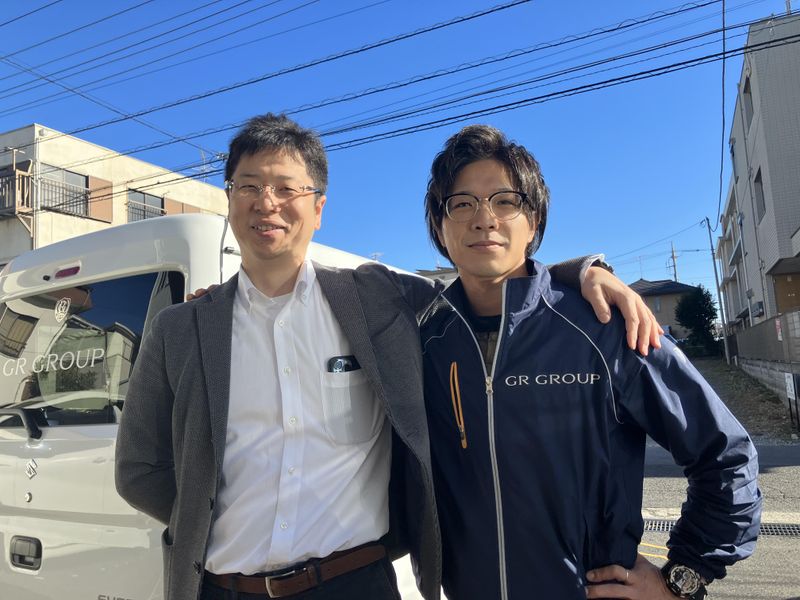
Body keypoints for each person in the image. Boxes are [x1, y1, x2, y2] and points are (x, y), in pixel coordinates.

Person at [115, 114, 659, 600]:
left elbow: (486, 279)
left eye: (286, 188)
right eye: (249, 186)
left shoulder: (374, 298)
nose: (267, 203)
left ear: (318, 207)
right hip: (224, 589)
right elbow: (139, 470)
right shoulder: (181, 329)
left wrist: (582, 272)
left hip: (355, 583)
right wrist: (206, 516)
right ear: (229, 198)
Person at [418, 124, 762, 600]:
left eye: (505, 201)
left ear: (533, 221)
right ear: (440, 225)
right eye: (462, 204)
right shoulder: (426, 343)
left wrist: (684, 577)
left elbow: (725, 455)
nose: (484, 219)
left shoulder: (604, 324)